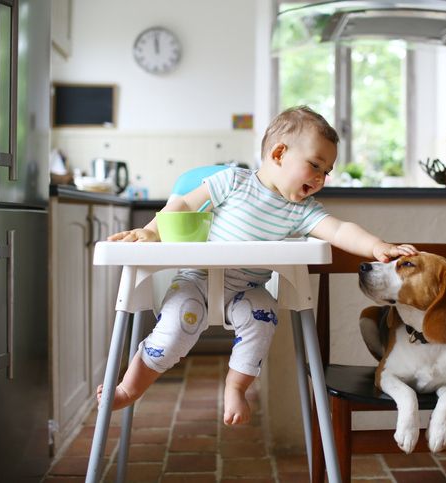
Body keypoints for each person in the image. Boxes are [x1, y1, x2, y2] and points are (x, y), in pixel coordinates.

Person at [99, 106, 417, 425]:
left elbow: (339, 230)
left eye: (327, 170)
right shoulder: (232, 181)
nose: (322, 178)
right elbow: (183, 204)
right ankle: (129, 388)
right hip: (196, 280)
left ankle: (237, 386)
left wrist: (378, 246)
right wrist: (152, 231)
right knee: (173, 329)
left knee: (263, 318)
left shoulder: (301, 211)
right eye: (315, 165)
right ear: (279, 153)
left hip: (247, 290)